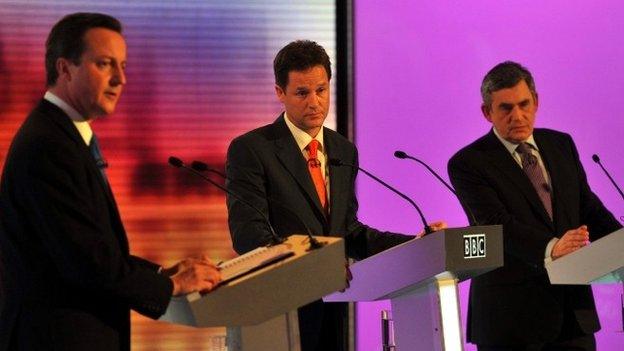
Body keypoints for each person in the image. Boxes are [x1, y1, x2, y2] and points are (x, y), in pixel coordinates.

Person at [0, 13, 221, 351]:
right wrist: (173, 285)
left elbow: (92, 249)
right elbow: (87, 264)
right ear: (64, 68)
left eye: (123, 65)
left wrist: (161, 274)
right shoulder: (48, 145)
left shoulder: (63, 136)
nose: (121, 79)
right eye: (105, 64)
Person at [226, 40, 445, 351]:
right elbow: (249, 235)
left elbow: (349, 231)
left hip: (333, 309)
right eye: (302, 93)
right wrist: (316, 263)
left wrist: (414, 242)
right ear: (280, 93)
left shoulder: (343, 149)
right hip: (278, 315)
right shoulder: (252, 149)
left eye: (321, 90)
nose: (314, 102)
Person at [448, 61, 622, 351]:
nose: (517, 115)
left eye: (524, 104)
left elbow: (587, 206)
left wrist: (620, 243)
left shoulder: (560, 144)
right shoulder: (469, 162)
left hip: (572, 316)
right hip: (511, 320)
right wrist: (552, 247)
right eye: (505, 108)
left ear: (536, 102)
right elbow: (495, 223)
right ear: (487, 112)